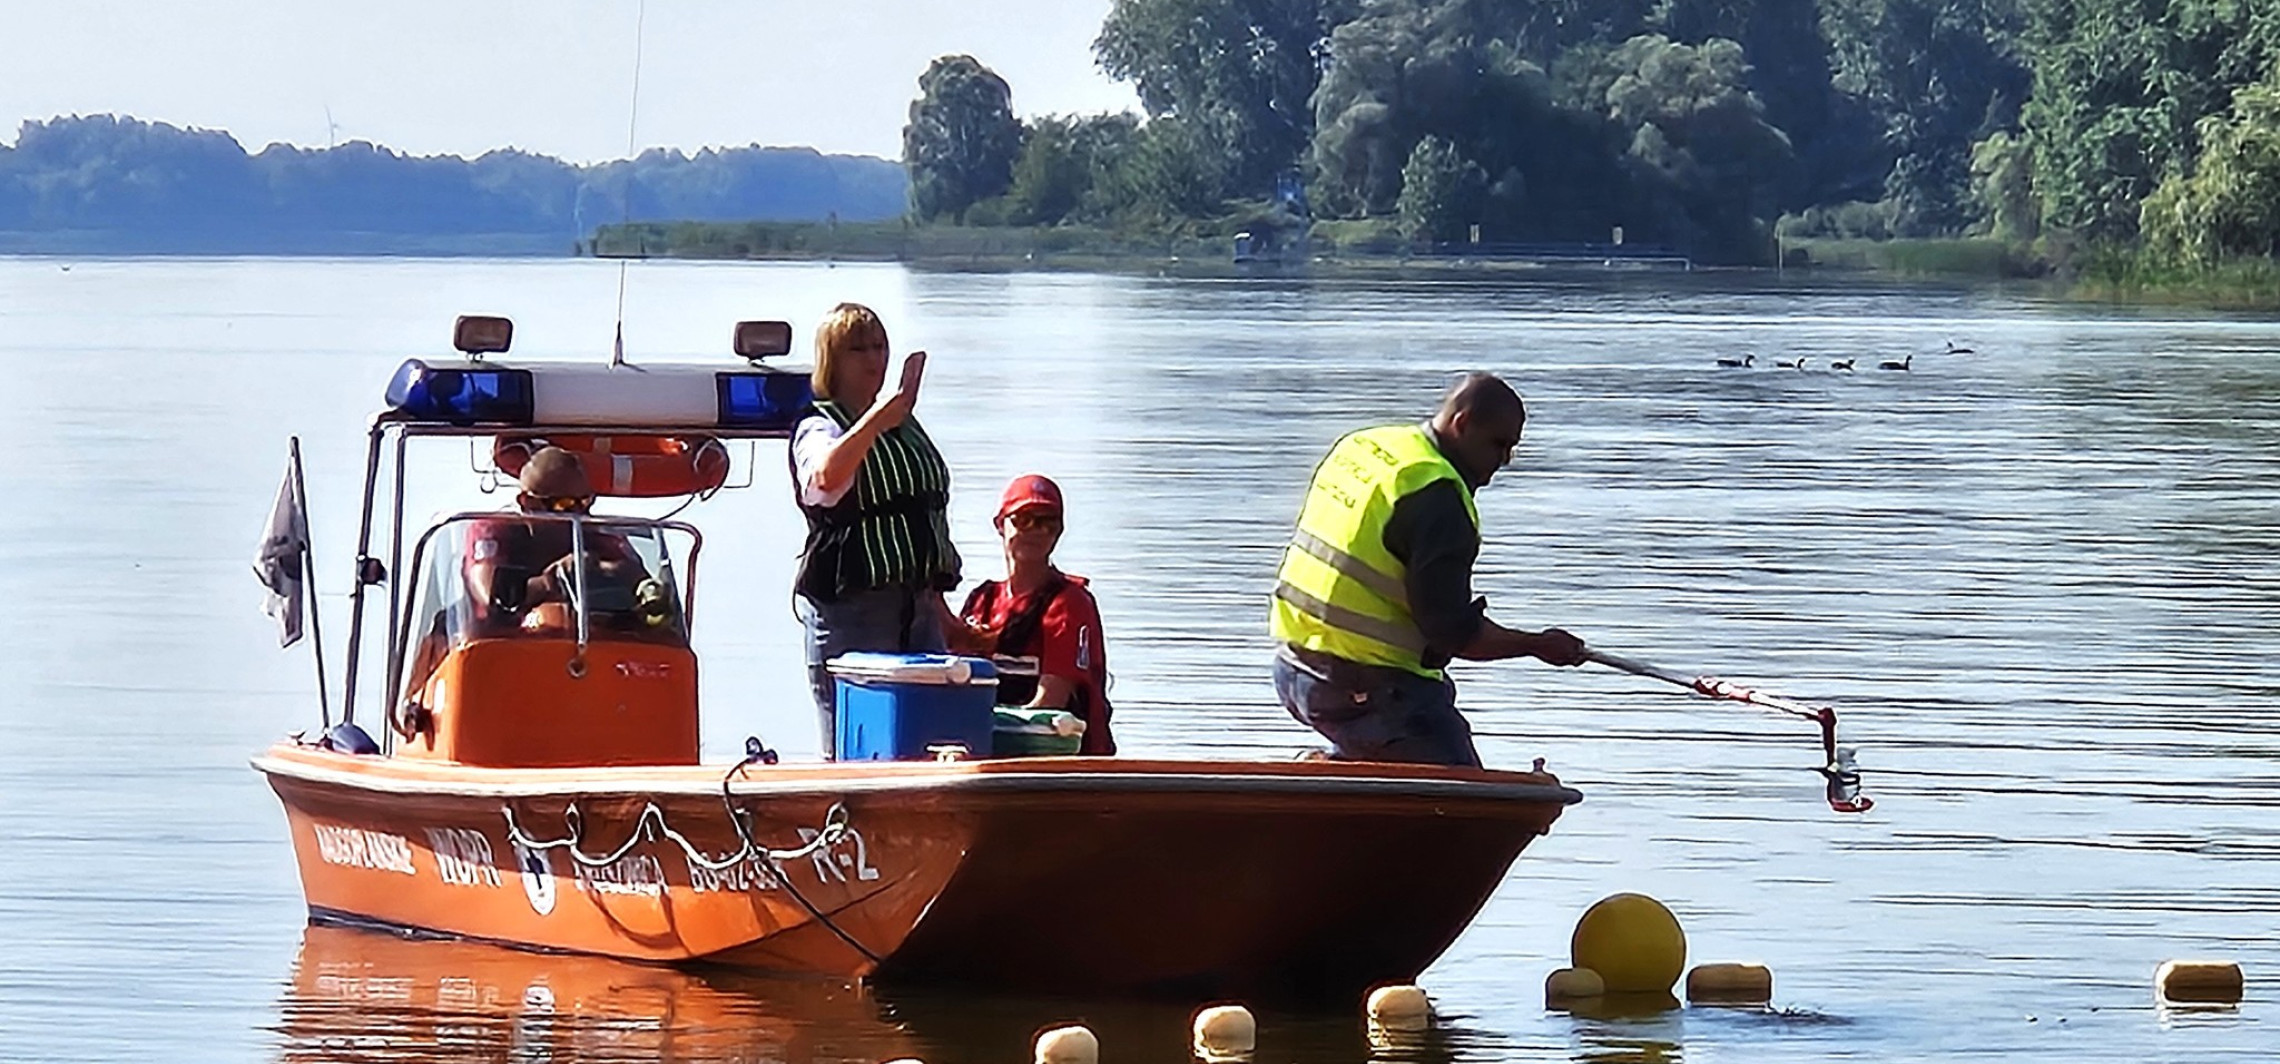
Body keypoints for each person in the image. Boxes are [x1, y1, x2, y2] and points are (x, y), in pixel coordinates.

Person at [1269, 373, 1587, 767]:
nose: (1505, 460)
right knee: (1464, 802)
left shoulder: (1365, 446)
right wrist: (1537, 644)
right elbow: (1456, 634)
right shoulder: (1437, 499)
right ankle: (1340, 774)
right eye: (1498, 444)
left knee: (1418, 723)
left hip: (1294, 669)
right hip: (1368, 687)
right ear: (1462, 424)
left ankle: (1337, 768)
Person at [790, 303, 962, 757]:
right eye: (857, 349)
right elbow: (824, 480)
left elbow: (919, 516)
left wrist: (943, 613)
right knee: (854, 747)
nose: (873, 359)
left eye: (879, 346)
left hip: (917, 606)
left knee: (929, 740)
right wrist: (876, 421)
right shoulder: (818, 426)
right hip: (852, 612)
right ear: (832, 359)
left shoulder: (904, 426)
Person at [958, 474, 1116, 755]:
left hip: (1055, 755)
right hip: (987, 747)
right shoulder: (982, 601)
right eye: (1023, 519)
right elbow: (955, 685)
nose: (1036, 530)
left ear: (1059, 531)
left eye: (1047, 522)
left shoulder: (1070, 603)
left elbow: (1049, 703)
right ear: (1000, 524)